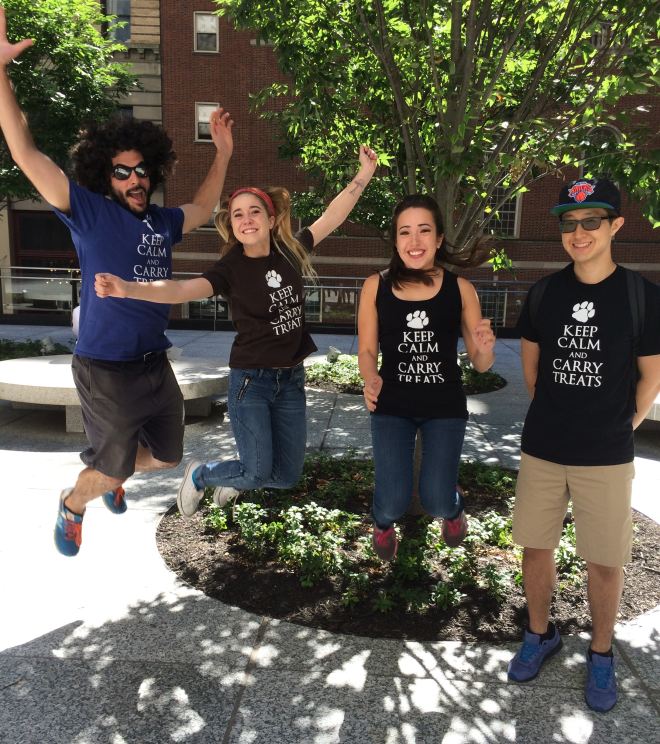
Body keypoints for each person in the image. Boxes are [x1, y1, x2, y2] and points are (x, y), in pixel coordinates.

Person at [0, 8, 235, 556]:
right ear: (105, 177)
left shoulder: (161, 221)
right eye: (121, 171)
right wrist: (1, 75)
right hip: (104, 366)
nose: (134, 178)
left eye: (141, 169)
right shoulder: (88, 212)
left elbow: (203, 206)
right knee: (110, 468)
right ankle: (73, 502)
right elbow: (25, 150)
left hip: (153, 360)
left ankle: (114, 474)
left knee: (169, 457)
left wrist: (222, 153)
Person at [94, 146, 379, 517]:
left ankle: (239, 477)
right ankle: (201, 475)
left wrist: (365, 173)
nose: (246, 219)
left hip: (291, 381)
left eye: (254, 211)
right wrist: (128, 288)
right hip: (251, 382)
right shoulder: (229, 269)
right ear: (232, 224)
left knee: (286, 477)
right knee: (257, 471)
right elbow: (180, 290)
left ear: (271, 219)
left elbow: (333, 215)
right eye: (238, 214)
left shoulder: (291, 251)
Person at [507, 177, 660, 711]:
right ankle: (540, 633)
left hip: (606, 454)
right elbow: (532, 371)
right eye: (569, 223)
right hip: (545, 447)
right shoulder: (545, 293)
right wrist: (560, 417)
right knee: (535, 547)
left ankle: (600, 653)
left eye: (591, 221)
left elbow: (650, 378)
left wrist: (622, 425)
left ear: (616, 225)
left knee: (605, 559)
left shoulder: (642, 296)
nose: (579, 232)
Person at [357, 194, 496, 560]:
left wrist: (484, 347)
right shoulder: (375, 286)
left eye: (424, 230)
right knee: (392, 503)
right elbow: (367, 350)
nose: (414, 241)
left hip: (444, 407)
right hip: (392, 405)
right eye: (405, 232)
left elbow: (481, 364)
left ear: (439, 238)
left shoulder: (461, 289)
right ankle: (382, 523)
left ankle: (455, 507)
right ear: (395, 240)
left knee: (437, 501)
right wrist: (370, 377)